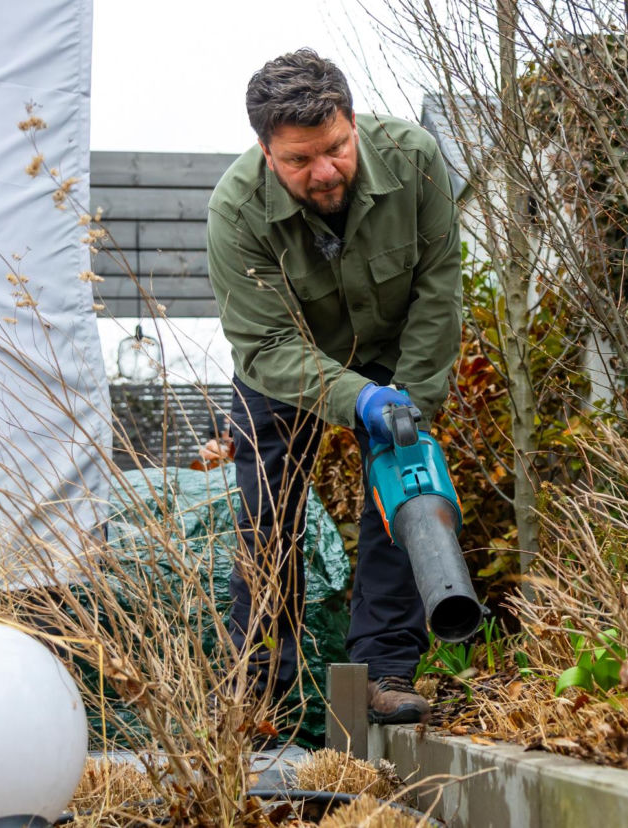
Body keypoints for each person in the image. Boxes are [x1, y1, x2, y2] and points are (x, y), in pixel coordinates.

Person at [206, 49, 462, 724]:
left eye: (337, 149)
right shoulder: (235, 212)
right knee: (270, 520)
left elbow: (438, 291)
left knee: (403, 492)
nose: (324, 172)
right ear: (266, 151)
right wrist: (356, 398)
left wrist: (409, 404)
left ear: (353, 121)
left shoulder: (414, 160)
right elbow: (264, 343)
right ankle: (257, 695)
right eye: (299, 161)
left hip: (393, 354)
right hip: (285, 366)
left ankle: (384, 672)